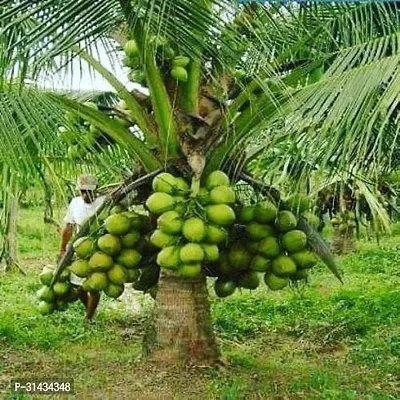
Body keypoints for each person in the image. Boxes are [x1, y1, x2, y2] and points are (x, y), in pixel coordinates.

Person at [59, 174, 105, 321]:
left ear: (96, 190)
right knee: (77, 285)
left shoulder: (104, 202)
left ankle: (89, 318)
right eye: (83, 191)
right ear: (79, 190)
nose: (86, 194)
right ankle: (89, 309)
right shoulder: (75, 203)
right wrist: (62, 248)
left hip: (101, 249)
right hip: (81, 248)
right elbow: (68, 227)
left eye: (89, 191)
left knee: (94, 285)